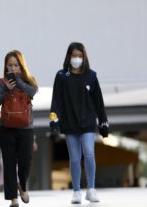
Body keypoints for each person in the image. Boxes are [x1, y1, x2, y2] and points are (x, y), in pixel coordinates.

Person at [49, 42, 109, 204]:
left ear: (84, 57)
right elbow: (56, 100)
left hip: (88, 122)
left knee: (89, 152)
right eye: (74, 55)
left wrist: (103, 122)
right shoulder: (61, 76)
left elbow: (98, 101)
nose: (77, 58)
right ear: (69, 56)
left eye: (80, 56)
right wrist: (53, 119)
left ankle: (91, 188)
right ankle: (76, 191)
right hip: (70, 123)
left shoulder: (91, 76)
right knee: (75, 158)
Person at [0, 50, 38, 207]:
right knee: (9, 163)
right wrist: (6, 90)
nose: (12, 68)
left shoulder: (28, 81)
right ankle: (13, 198)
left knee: (26, 160)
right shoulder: (1, 82)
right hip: (7, 128)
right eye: (10, 65)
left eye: (16, 65)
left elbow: (33, 91)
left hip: (26, 128)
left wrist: (18, 82)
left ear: (21, 66)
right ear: (5, 66)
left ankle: (23, 186)